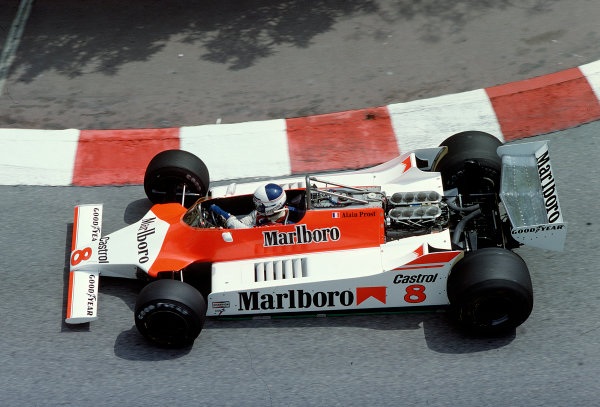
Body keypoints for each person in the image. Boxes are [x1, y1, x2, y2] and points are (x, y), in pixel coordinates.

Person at [210, 183, 297, 229]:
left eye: (259, 205)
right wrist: (229, 219)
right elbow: (246, 220)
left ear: (272, 207)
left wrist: (227, 217)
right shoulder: (266, 213)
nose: (257, 206)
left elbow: (247, 231)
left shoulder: (276, 226)